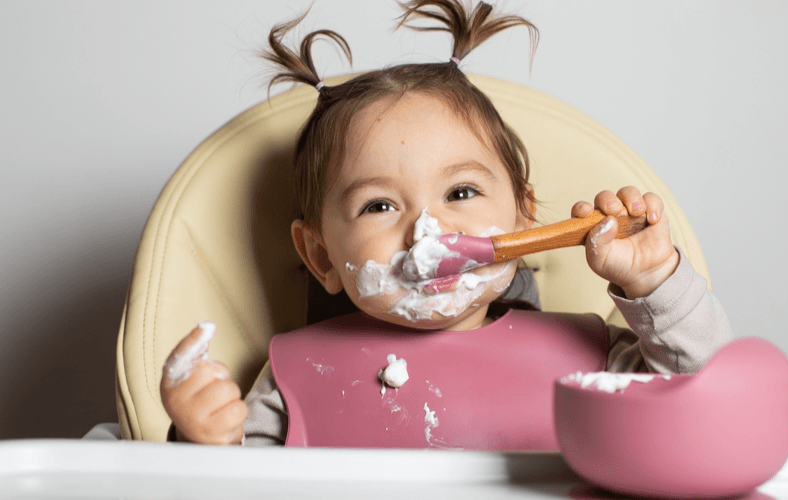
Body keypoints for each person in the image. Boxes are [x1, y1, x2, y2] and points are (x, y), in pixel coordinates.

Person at [159, 0, 733, 447]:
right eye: (379, 206)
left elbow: (711, 399)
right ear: (322, 257)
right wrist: (201, 441)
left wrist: (653, 280)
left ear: (523, 217)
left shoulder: (592, 358)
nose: (426, 229)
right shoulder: (290, 379)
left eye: (461, 192)